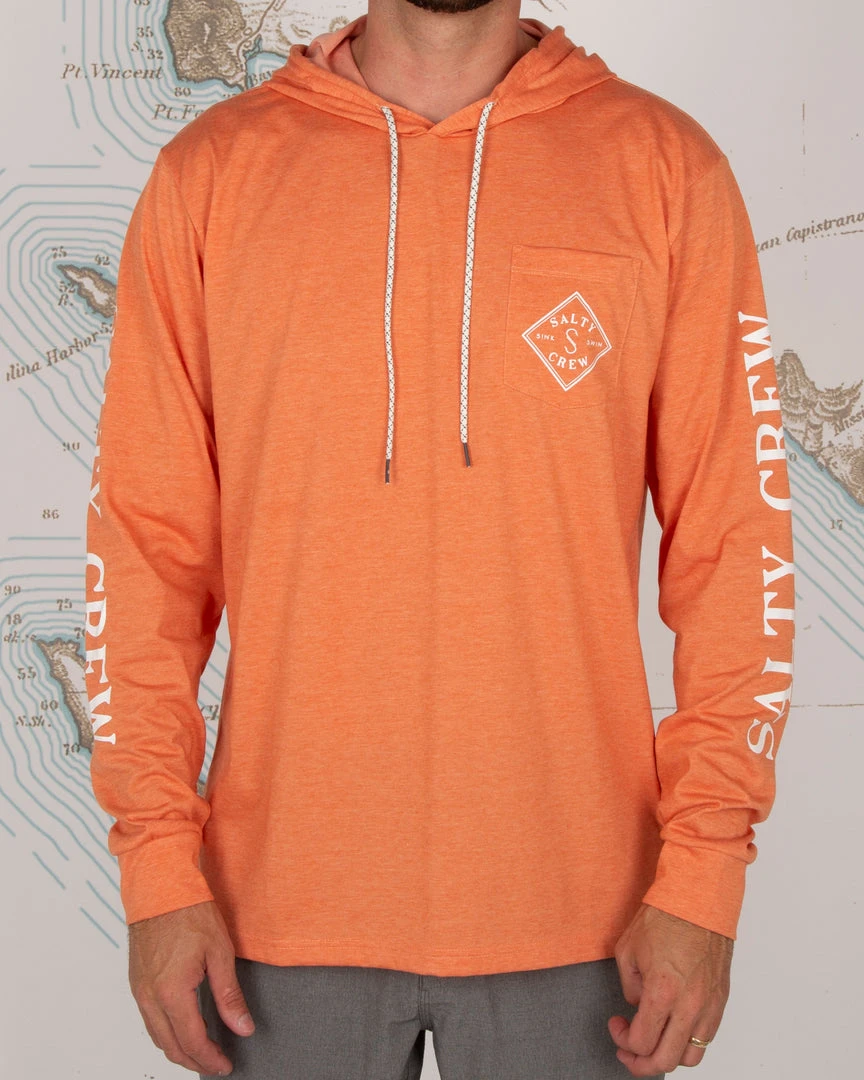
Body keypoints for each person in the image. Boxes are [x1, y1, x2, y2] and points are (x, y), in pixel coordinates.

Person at [83, 0, 796, 1077]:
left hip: (590, 922)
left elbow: (738, 549)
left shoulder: (665, 169)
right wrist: (155, 866)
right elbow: (144, 550)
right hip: (269, 919)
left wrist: (703, 875)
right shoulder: (212, 176)